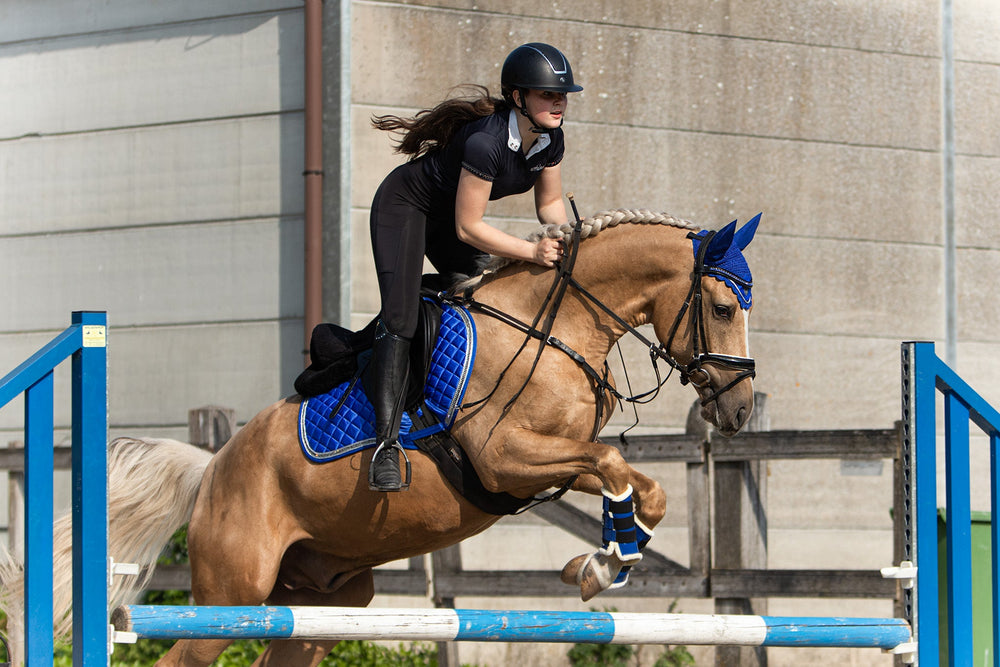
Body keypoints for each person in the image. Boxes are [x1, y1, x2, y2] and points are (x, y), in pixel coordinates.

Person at [366, 42, 583, 491]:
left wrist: (573, 241)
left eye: (562, 95)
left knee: (483, 300)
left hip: (450, 220)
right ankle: (384, 444)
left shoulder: (550, 139)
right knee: (401, 316)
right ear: (518, 98)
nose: (558, 103)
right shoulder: (486, 143)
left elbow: (550, 204)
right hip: (406, 209)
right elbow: (469, 228)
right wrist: (532, 252)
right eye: (548, 95)